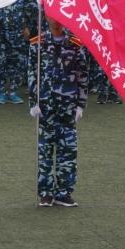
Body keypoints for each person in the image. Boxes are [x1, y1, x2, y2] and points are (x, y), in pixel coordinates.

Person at [30, 19, 87, 208]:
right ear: (47, 18)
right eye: (52, 18)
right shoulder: (38, 43)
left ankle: (64, 193)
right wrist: (33, 101)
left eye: (59, 19)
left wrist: (80, 104)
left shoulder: (75, 43)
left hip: (67, 107)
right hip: (46, 106)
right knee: (44, 151)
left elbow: (82, 75)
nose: (56, 22)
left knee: (68, 151)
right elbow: (32, 73)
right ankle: (45, 193)